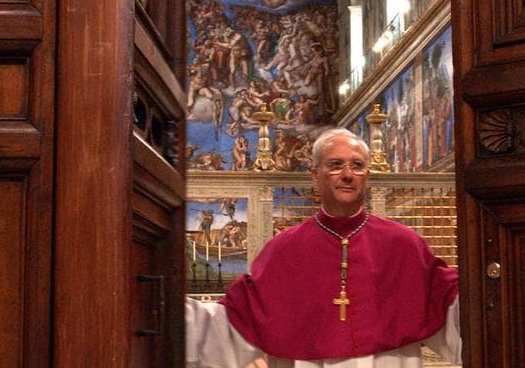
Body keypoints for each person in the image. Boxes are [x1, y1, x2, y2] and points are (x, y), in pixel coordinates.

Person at [186, 128, 461, 367]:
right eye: (335, 164)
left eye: (357, 165)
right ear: (315, 176)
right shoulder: (284, 250)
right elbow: (237, 321)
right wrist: (177, 314)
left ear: (367, 175)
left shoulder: (403, 243)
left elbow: (451, 304)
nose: (347, 174)